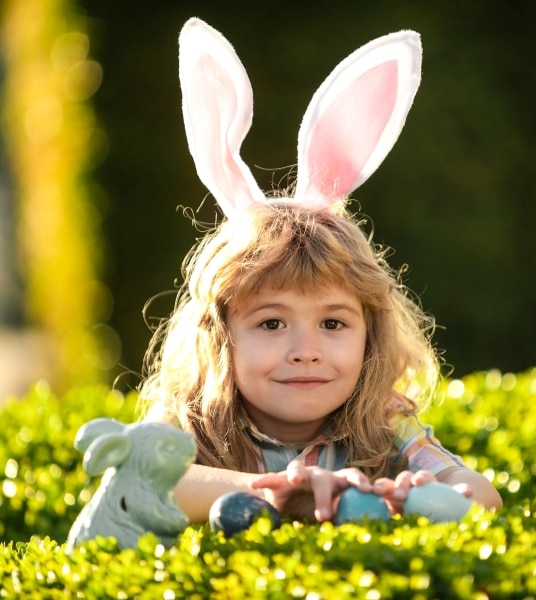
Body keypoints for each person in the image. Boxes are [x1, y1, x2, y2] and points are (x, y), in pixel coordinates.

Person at [138, 18, 502, 524]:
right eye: (271, 323)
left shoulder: (383, 424)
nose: (306, 352)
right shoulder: (189, 420)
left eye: (333, 324)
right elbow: (144, 484)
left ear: (369, 335)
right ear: (220, 335)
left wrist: (411, 496)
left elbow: (481, 496)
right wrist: (287, 491)